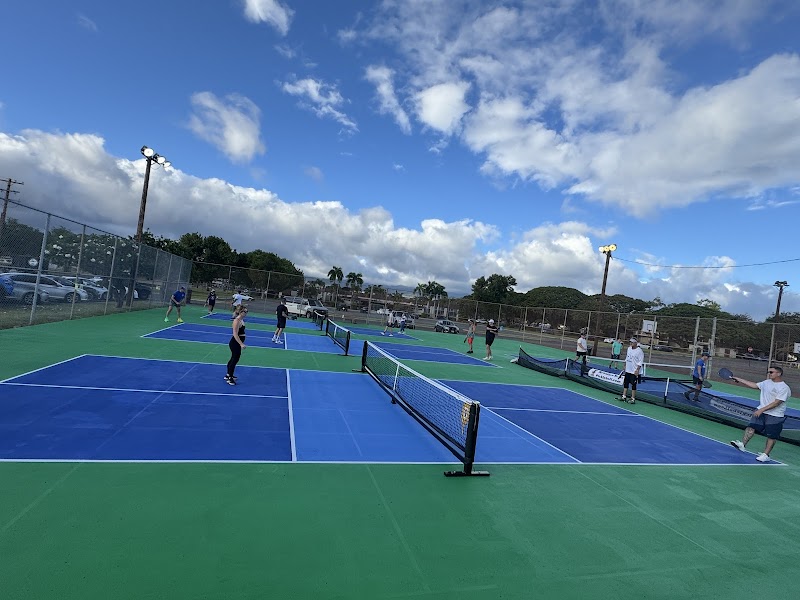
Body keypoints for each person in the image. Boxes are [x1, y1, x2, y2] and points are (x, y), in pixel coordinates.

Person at [730, 366, 791, 462]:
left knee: (771, 435)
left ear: (779, 374)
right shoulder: (766, 382)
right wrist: (739, 379)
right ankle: (742, 445)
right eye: (768, 372)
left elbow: (776, 403)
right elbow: (754, 385)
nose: (769, 374)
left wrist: (761, 410)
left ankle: (766, 455)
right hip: (761, 410)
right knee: (751, 427)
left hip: (775, 414)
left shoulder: (784, 388)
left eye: (771, 372)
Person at [225, 305, 247, 385]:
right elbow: (235, 334)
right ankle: (230, 378)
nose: (246, 313)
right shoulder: (236, 321)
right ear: (240, 312)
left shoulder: (241, 320)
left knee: (234, 358)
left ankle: (228, 374)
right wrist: (241, 344)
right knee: (234, 359)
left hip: (237, 343)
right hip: (235, 343)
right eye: (245, 311)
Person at [618, 338, 644, 404]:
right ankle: (624, 396)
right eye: (630, 342)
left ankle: (633, 398)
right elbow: (627, 357)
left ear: (635, 343)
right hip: (628, 370)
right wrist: (625, 365)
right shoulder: (629, 349)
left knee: (633, 385)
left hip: (634, 371)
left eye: (632, 342)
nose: (631, 343)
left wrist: (637, 370)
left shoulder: (639, 351)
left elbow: (640, 361)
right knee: (625, 383)